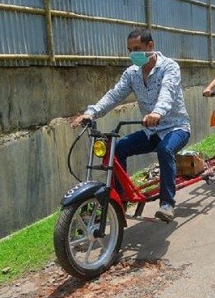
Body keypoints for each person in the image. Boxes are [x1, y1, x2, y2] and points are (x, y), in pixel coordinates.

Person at [70, 27, 191, 222]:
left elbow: (167, 92)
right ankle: (120, 200)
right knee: (117, 148)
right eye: (130, 50)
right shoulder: (132, 73)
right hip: (150, 130)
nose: (133, 54)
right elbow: (114, 95)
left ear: (150, 46)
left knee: (165, 149)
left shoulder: (169, 67)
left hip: (176, 127)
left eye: (137, 48)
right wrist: (91, 113)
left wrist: (157, 112)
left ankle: (167, 204)